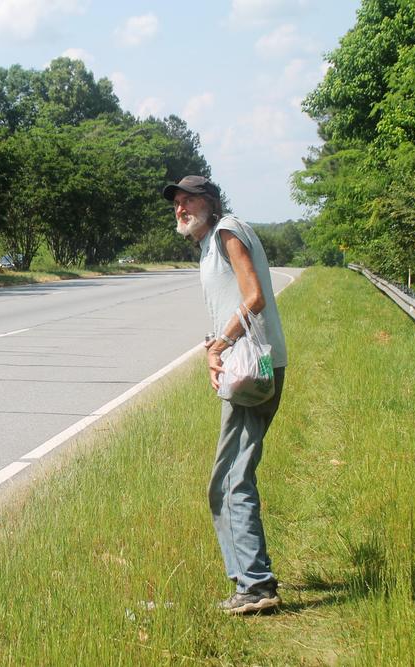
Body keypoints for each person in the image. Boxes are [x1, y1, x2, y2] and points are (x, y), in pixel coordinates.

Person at [162, 175, 288, 615]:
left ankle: (255, 586)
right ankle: (253, 580)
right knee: (229, 477)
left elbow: (253, 298)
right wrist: (214, 340)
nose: (181, 208)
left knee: (231, 479)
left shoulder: (227, 232)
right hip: (254, 365)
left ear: (210, 202)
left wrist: (221, 345)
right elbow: (236, 302)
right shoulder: (213, 240)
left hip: (253, 368)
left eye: (189, 200)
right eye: (177, 203)